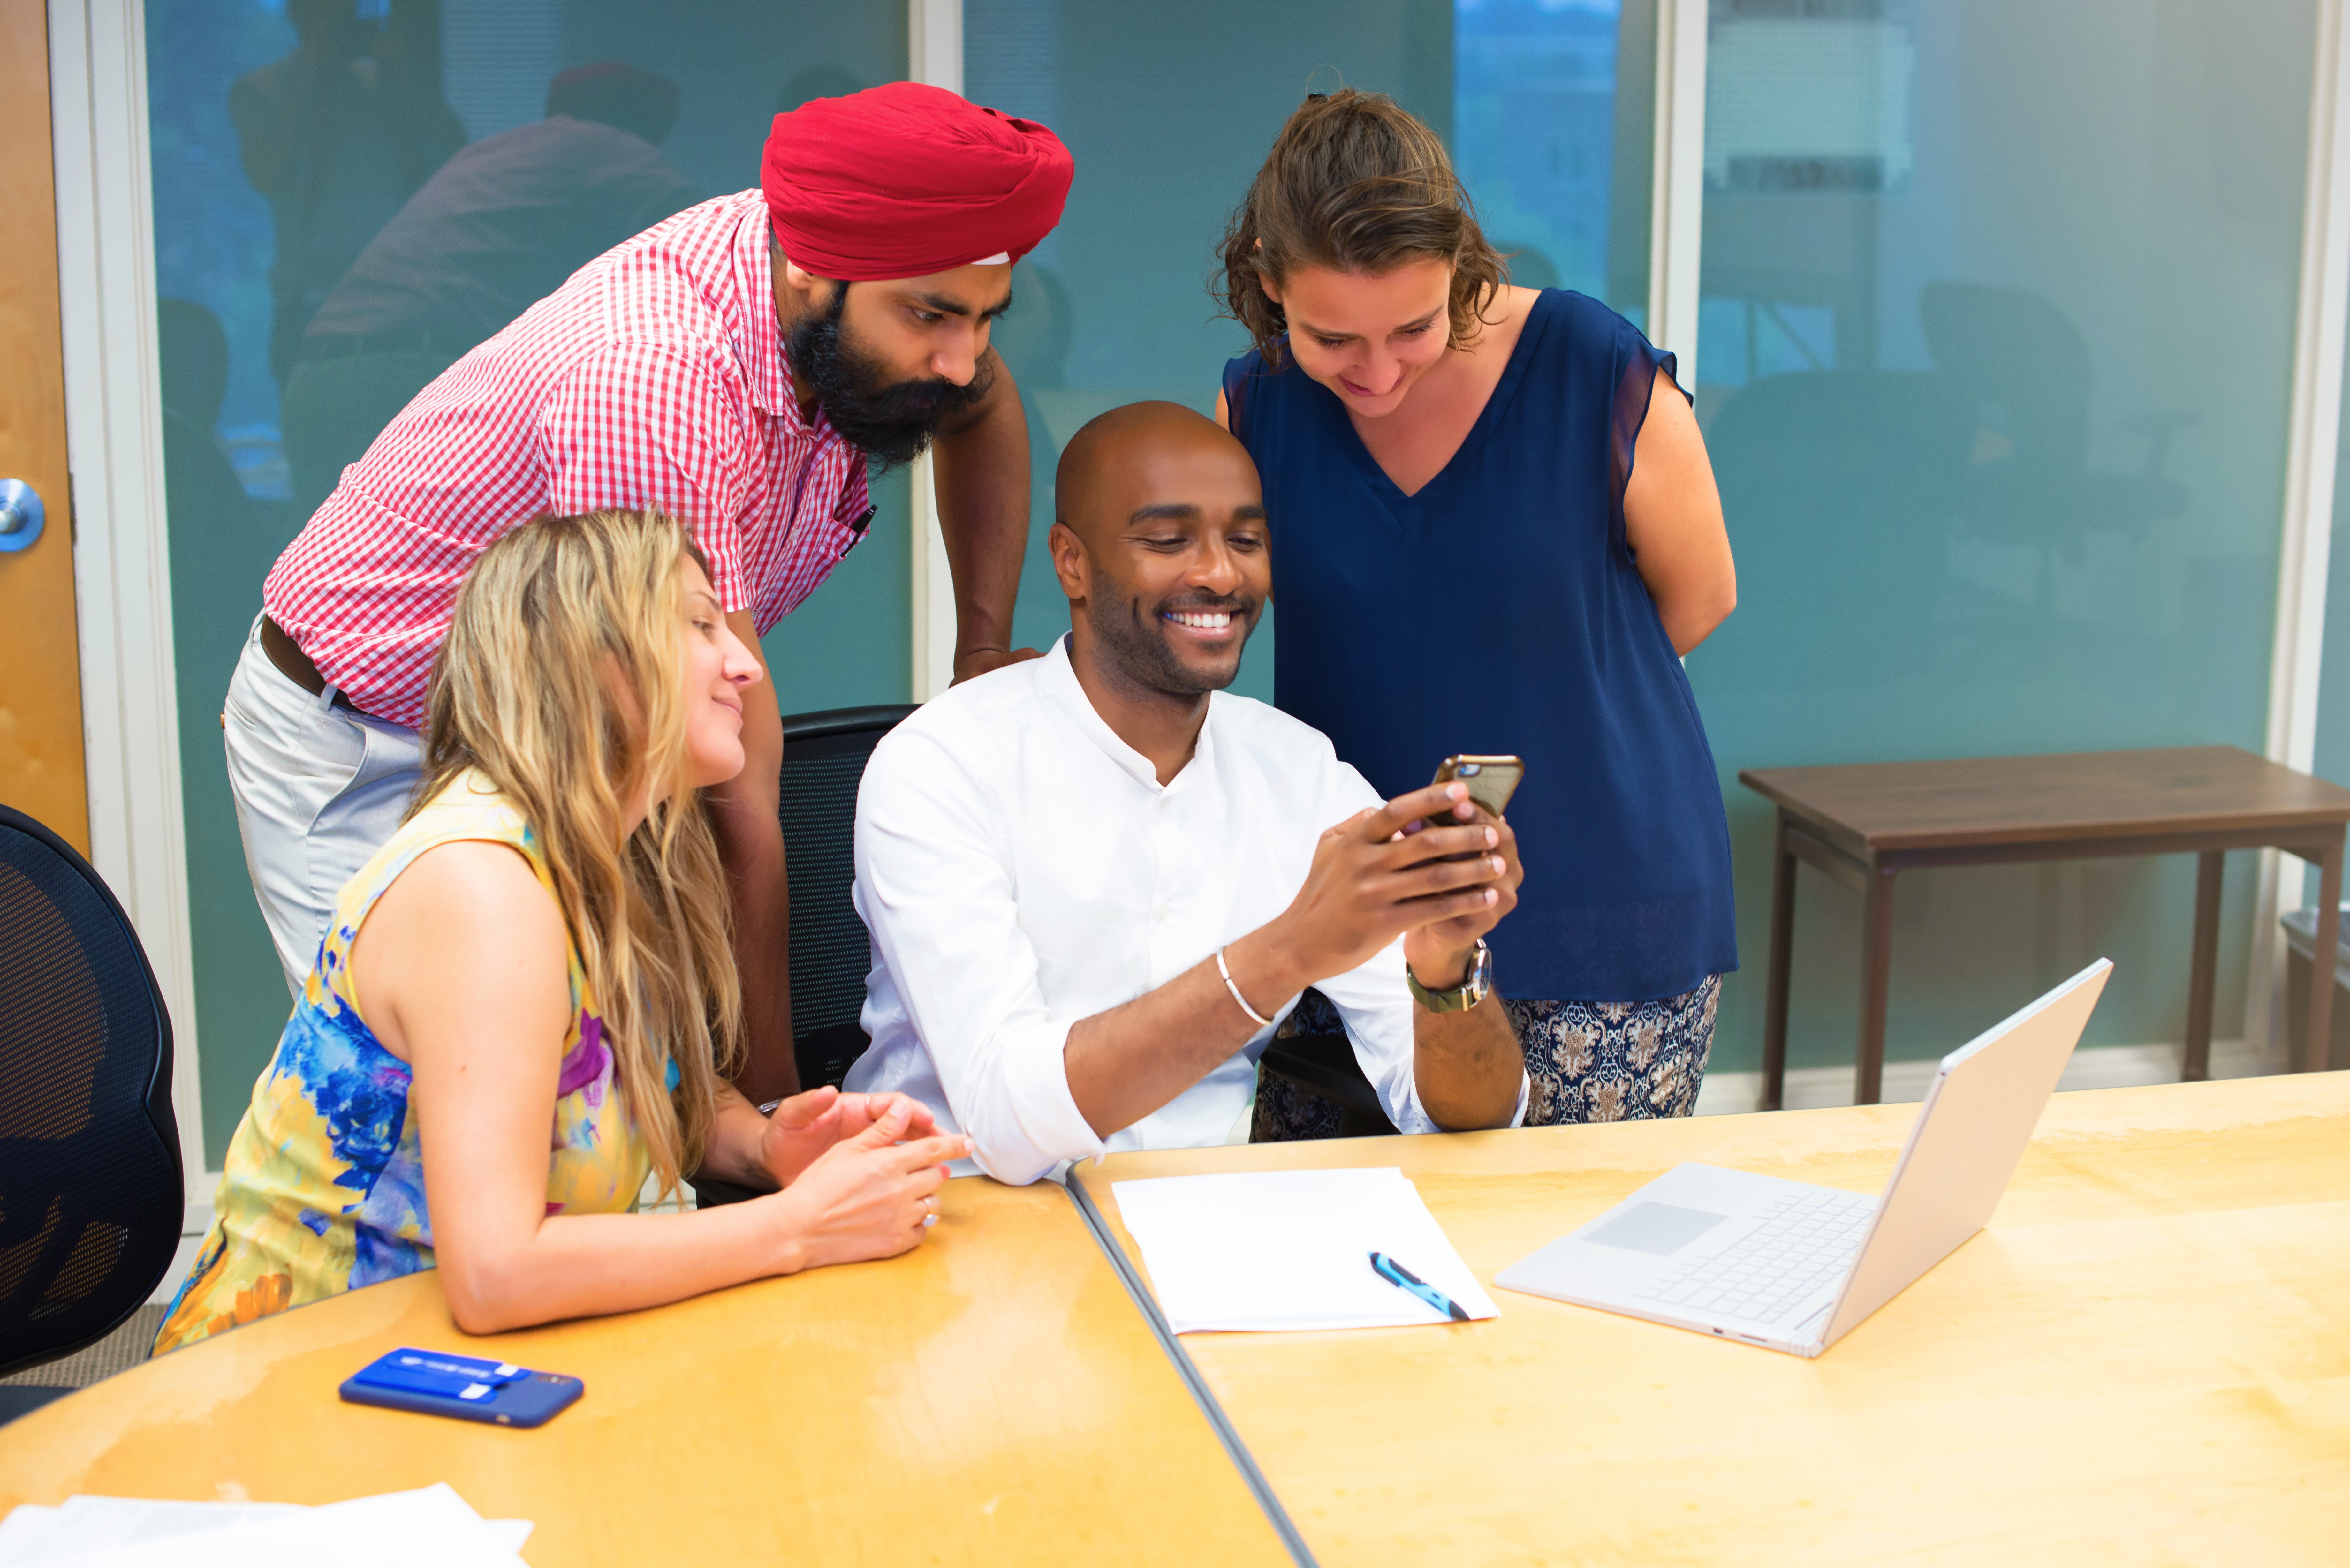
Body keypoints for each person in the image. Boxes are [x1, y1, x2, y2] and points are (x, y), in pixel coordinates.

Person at [231, 82, 1074, 1104]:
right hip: (380, 737)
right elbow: (727, 796)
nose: (960, 354)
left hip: (569, 736)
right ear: (809, 273)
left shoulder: (856, 280)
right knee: (434, 1115)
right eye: (931, 317)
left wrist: (979, 654)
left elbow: (976, 396)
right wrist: (771, 1116)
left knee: (606, 1113)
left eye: (985, 317)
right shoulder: (656, 378)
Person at [157, 510, 968, 1354]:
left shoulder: (616, 859)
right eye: (698, 626)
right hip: (292, 1385)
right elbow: (497, 1272)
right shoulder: (482, 890)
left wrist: (769, 1147)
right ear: (594, 660)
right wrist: (799, 1228)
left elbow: (630, 1099)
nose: (745, 662)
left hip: (451, 1365)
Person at [1213, 90, 1738, 1131]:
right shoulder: (1253, 406)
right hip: (1361, 922)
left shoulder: (1592, 366)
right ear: (1271, 284)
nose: (1378, 372)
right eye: (1332, 340)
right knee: (1348, 1262)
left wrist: (1538, 685)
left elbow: (1702, 597)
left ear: (1459, 262)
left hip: (1607, 895)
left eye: (1412, 327)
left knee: (1575, 1263)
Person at [844, 403, 1527, 1185]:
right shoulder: (940, 764)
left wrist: (1443, 971)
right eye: (1168, 540)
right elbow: (1004, 1128)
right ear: (1071, 562)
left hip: (1201, 1235)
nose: (1221, 573)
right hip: (951, 1223)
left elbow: (1470, 1119)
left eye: (1245, 539)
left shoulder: (1300, 772)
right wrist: (1291, 948)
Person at [281, 62, 705, 520]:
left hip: (313, 376)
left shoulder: (494, 153)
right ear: (647, 125)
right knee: (456, 574)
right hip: (406, 376)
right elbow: (709, 245)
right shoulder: (608, 147)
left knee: (344, 577)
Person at [228, 0, 466, 385]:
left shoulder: (384, 84)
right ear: (295, 12)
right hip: (309, 301)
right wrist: (311, 70)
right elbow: (266, 174)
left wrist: (398, 75)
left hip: (399, 297)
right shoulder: (264, 89)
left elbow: (456, 153)